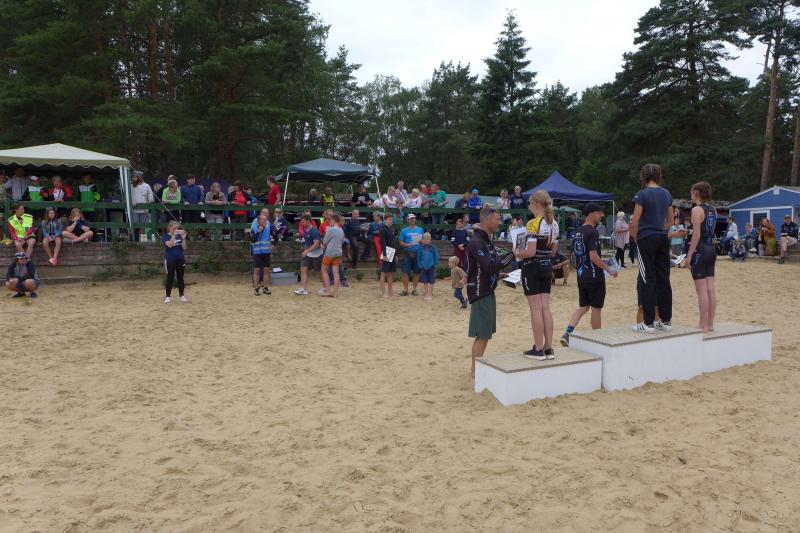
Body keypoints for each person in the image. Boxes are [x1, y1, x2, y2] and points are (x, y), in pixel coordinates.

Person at [467, 207, 515, 378]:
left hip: (487, 289)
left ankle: (476, 370)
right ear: (486, 220)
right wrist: (512, 255)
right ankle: (475, 371)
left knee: (485, 333)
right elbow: (489, 266)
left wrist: (497, 275)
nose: (499, 223)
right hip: (481, 291)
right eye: (497, 219)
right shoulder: (477, 242)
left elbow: (487, 267)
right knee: (482, 334)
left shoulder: (485, 240)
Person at [560, 203, 617, 347]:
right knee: (596, 309)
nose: (602, 215)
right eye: (599, 213)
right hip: (594, 276)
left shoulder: (578, 232)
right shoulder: (592, 232)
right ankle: (598, 339)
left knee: (583, 307)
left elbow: (579, 255)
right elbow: (593, 256)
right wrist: (608, 269)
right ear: (591, 213)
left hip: (581, 276)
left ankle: (568, 333)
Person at [515, 191, 560, 360]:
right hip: (547, 265)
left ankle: (538, 349)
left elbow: (531, 252)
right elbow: (554, 251)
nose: (529, 207)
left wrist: (518, 253)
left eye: (530, 204)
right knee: (545, 308)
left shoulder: (533, 223)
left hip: (532, 266)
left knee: (535, 309)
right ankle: (548, 348)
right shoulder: (554, 223)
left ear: (536, 204)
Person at [630, 163, 673, 333]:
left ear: (644, 177)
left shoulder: (642, 194)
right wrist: (660, 229)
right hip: (662, 237)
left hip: (646, 238)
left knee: (647, 278)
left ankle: (648, 323)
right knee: (664, 278)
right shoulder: (666, 193)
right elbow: (670, 220)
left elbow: (634, 222)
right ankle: (666, 320)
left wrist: (636, 237)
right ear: (659, 176)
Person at [681, 182, 717, 332]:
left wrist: (689, 256)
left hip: (699, 251)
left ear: (696, 193)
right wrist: (688, 232)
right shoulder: (713, 209)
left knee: (701, 290)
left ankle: (702, 324)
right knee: (710, 289)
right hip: (711, 249)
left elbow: (697, 235)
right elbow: (707, 230)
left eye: (691, 192)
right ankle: (710, 324)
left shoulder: (696, 210)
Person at [295, 215, 323, 295]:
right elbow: (306, 243)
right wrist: (305, 251)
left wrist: (306, 251)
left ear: (308, 221)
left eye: (303, 222)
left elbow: (316, 244)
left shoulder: (314, 231)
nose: (302, 223)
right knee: (303, 269)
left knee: (319, 272)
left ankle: (325, 287)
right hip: (308, 255)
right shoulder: (305, 230)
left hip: (317, 255)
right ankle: (303, 289)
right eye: (301, 222)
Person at [162, 220, 188, 303]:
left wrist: (183, 239)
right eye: (174, 228)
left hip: (180, 259)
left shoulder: (180, 236)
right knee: (170, 278)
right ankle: (167, 296)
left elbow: (184, 248)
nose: (176, 230)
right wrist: (174, 235)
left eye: (177, 228)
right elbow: (169, 245)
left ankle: (182, 296)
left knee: (181, 278)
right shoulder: (165, 236)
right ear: (170, 228)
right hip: (170, 259)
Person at [399, 213, 424, 295]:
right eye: (411, 219)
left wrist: (421, 241)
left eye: (414, 218)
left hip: (417, 252)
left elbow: (423, 241)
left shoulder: (420, 230)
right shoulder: (404, 230)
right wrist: (407, 245)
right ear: (408, 220)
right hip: (407, 253)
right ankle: (405, 290)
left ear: (415, 219)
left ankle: (414, 290)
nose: (413, 220)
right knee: (405, 272)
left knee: (416, 272)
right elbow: (400, 242)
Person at [321, 213, 344, 297]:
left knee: (324, 270)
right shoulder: (341, 230)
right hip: (338, 252)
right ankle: (336, 292)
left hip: (330, 252)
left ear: (333, 220)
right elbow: (342, 242)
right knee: (336, 272)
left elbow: (324, 242)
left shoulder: (331, 230)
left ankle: (328, 291)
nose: (329, 222)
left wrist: (323, 246)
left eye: (330, 220)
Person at [250, 211, 272, 295]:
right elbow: (252, 240)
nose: (266, 222)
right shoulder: (254, 227)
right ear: (259, 221)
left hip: (266, 251)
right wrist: (259, 231)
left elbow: (275, 234)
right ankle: (256, 288)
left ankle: (265, 288)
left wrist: (273, 244)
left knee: (266, 271)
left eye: (266, 220)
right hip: (257, 252)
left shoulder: (268, 226)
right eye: (264, 220)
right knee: (257, 271)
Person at [131, 171, 154, 241]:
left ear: (140, 177)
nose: (134, 178)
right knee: (133, 226)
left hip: (144, 210)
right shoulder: (130, 186)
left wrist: (151, 202)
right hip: (134, 210)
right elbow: (127, 197)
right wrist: (131, 202)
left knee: (142, 226)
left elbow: (151, 198)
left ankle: (141, 242)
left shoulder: (147, 186)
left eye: (135, 177)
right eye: (133, 177)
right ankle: (132, 241)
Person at [417, 232, 440, 302]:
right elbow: (419, 257)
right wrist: (420, 265)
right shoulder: (421, 248)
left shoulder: (433, 248)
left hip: (431, 267)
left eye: (428, 239)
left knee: (431, 281)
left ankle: (430, 294)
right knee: (425, 281)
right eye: (425, 239)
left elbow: (436, 256)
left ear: (430, 239)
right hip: (423, 267)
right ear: (423, 240)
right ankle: (426, 294)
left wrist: (435, 264)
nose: (427, 240)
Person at [379, 213, 397, 298]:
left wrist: (395, 254)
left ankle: (390, 292)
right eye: (390, 219)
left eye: (392, 219)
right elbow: (383, 243)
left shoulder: (391, 229)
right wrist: (385, 255)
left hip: (392, 251)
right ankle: (383, 293)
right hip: (387, 251)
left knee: (390, 273)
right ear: (385, 220)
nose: (391, 220)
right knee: (383, 273)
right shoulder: (383, 229)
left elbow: (393, 242)